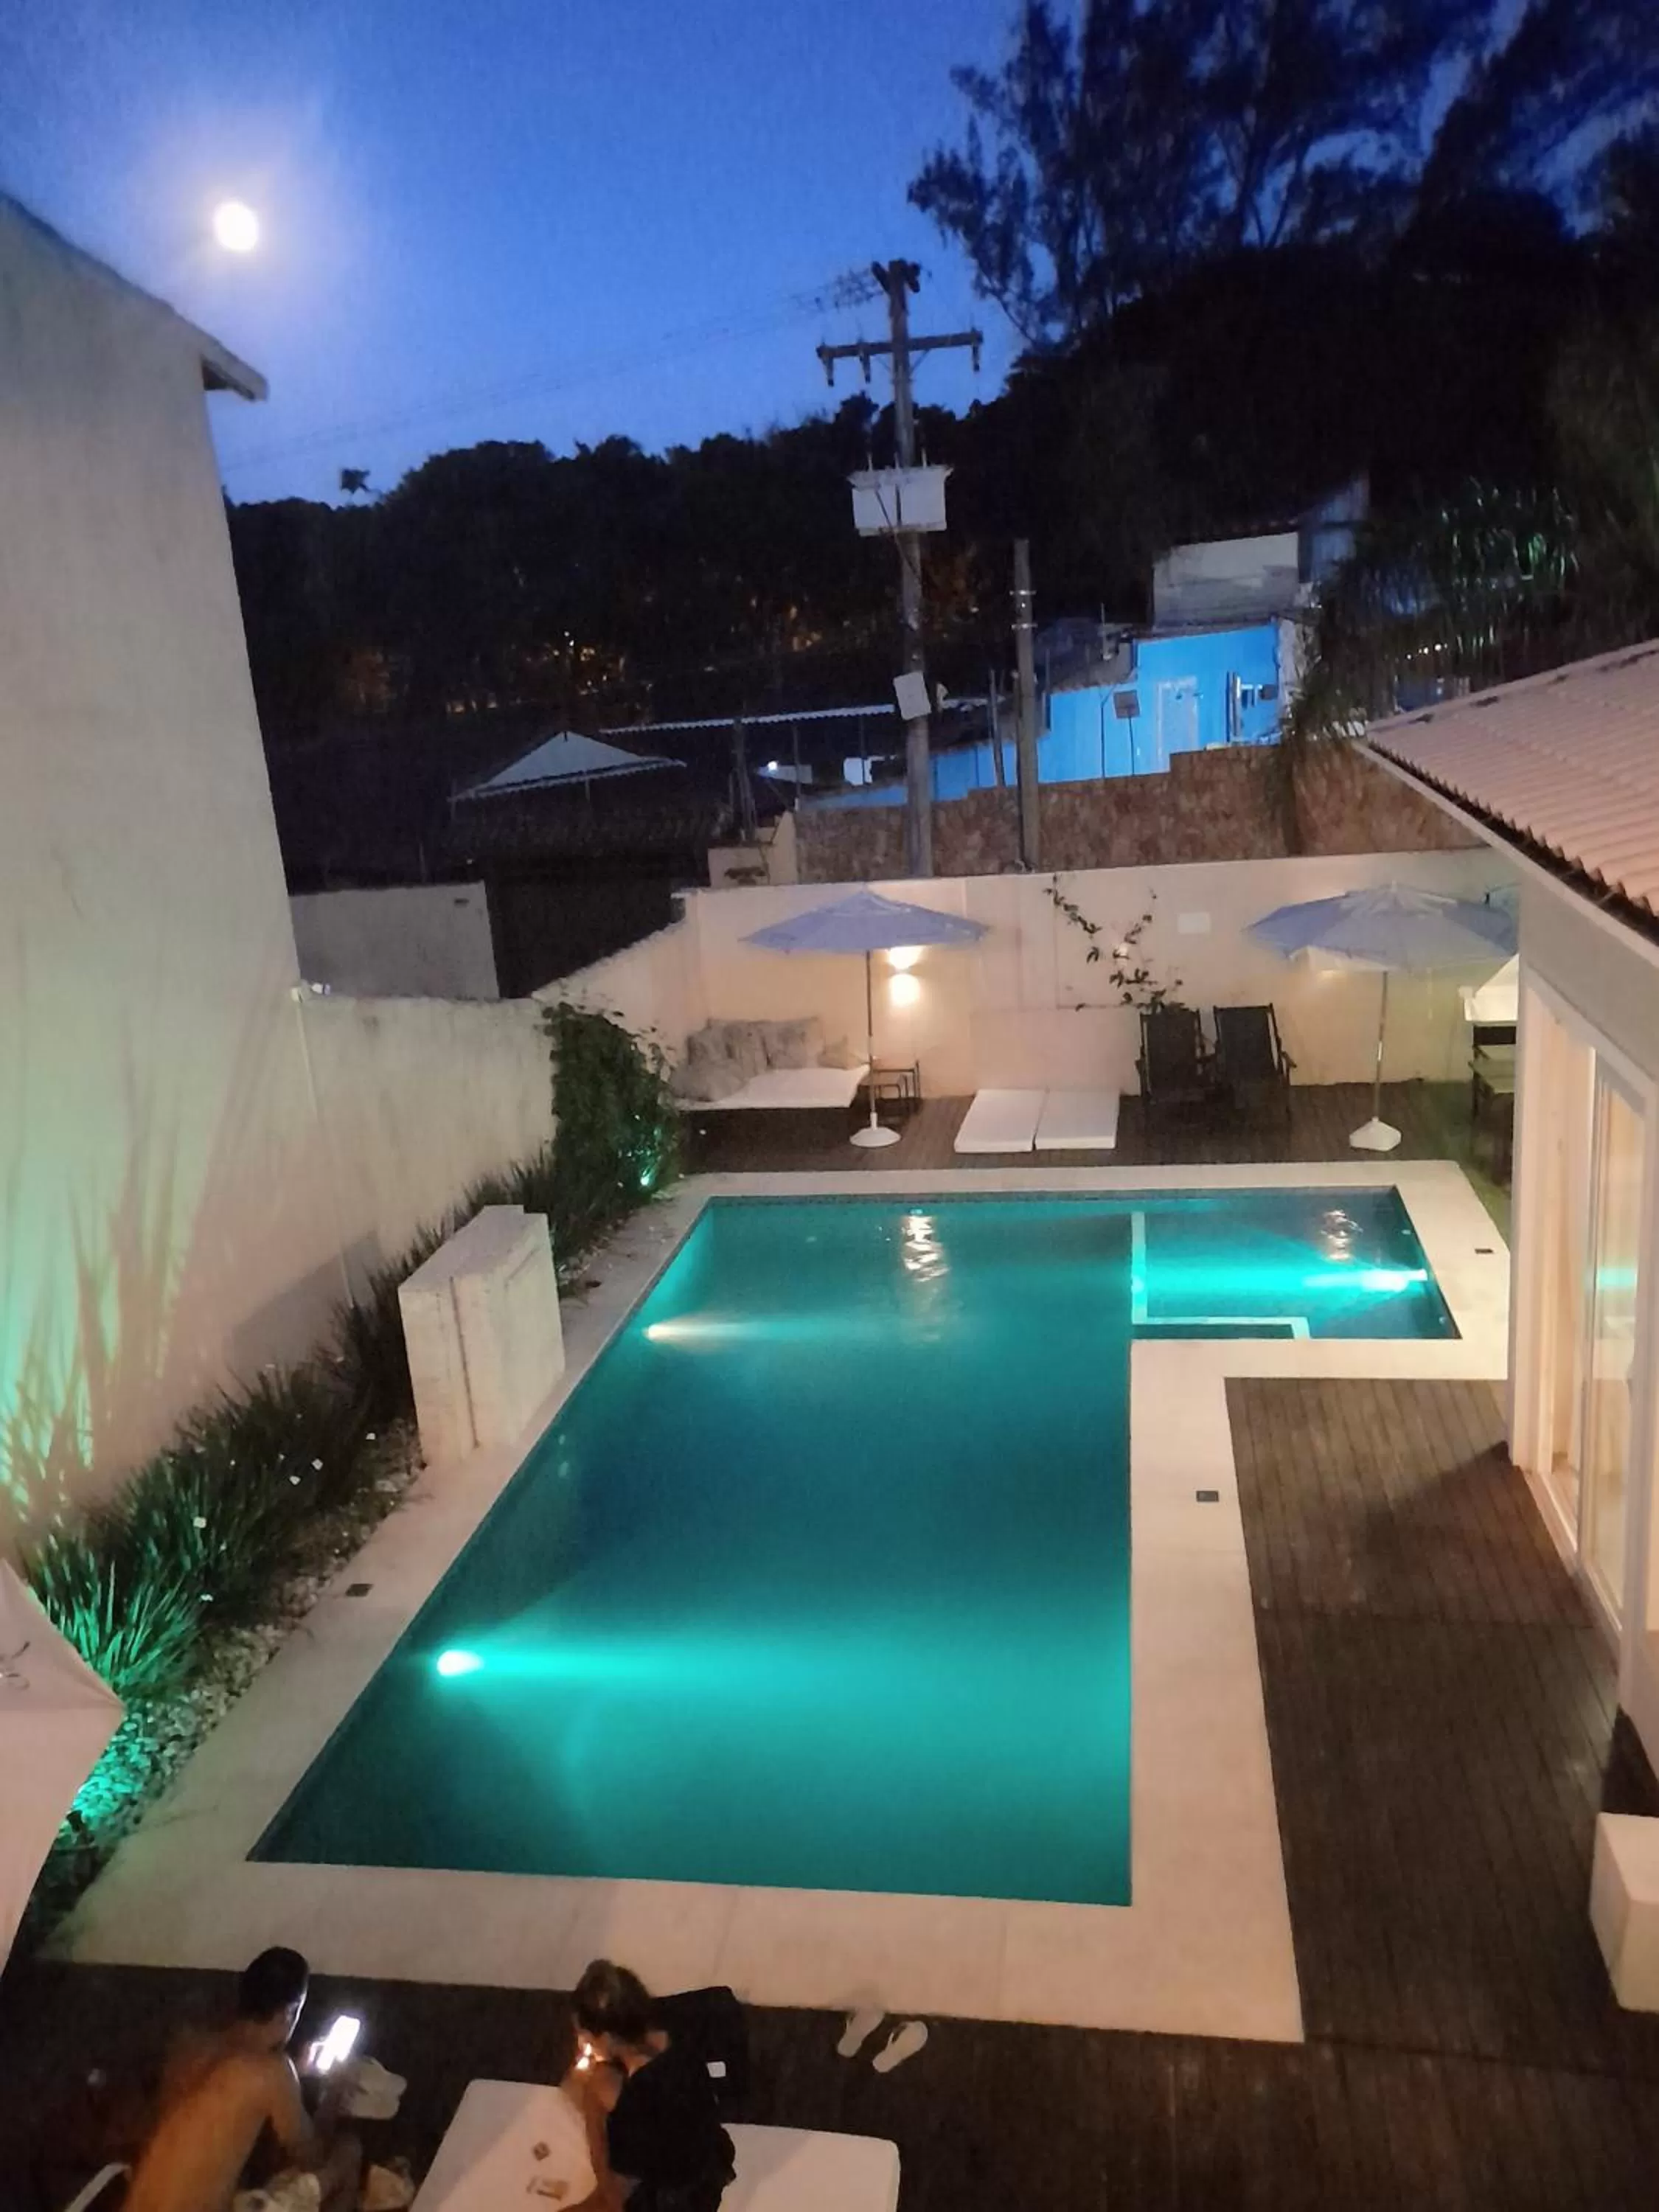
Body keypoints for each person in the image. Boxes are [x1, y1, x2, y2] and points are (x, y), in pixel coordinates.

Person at [125, 1947, 361, 2212]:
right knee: (348, 2151)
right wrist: (334, 2094)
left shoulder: (189, 2045)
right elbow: (312, 2158)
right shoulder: (272, 2071)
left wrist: (296, 2073)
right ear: (289, 2012)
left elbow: (214, 2105)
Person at [563, 1960, 734, 2212]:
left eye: (586, 2036)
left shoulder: (634, 2100)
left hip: (676, 2199)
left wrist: (590, 2101)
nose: (581, 2041)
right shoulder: (677, 2032)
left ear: (608, 2038)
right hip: (709, 2161)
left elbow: (619, 2185)